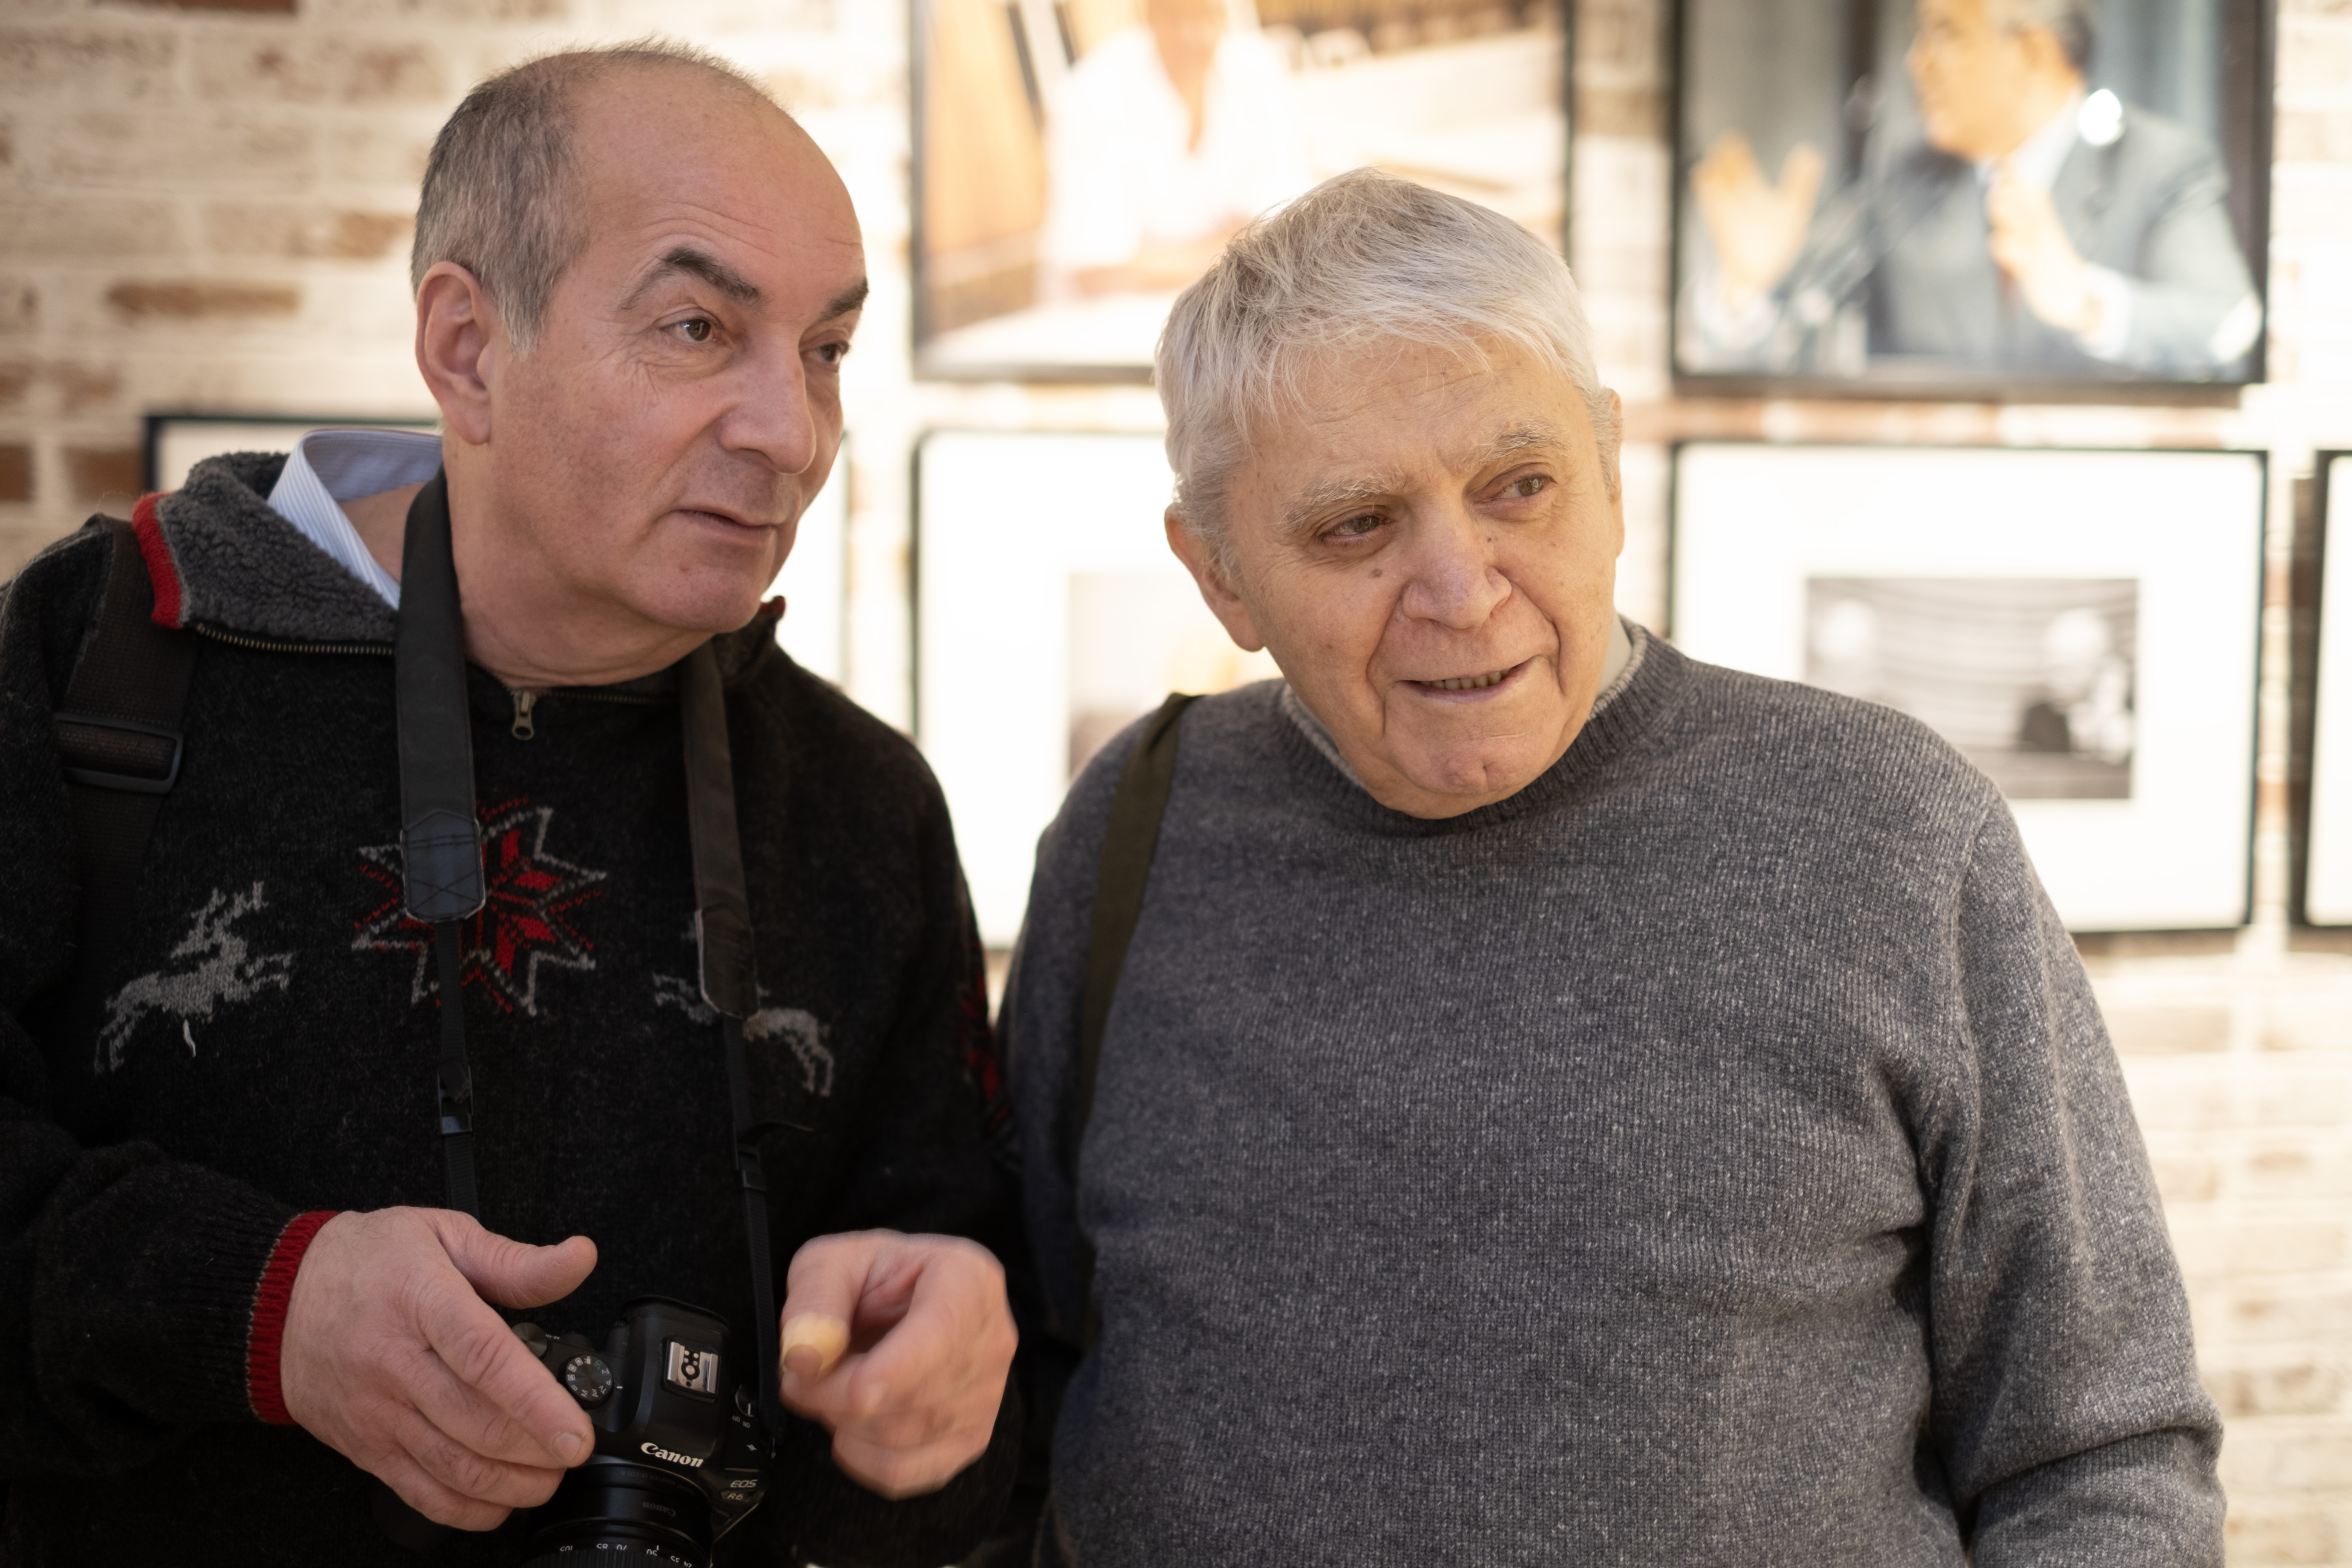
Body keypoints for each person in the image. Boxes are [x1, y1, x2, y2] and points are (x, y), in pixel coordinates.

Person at [1003, 168, 2223, 1564]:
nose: (1462, 588)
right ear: (1218, 572)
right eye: (1357, 526)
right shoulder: (1134, 829)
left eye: (1519, 487)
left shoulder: (1889, 833)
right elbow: (1025, 1371)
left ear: (1609, 472)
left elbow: (2099, 1448)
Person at [0, 43, 1020, 1566]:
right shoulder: (96, 665)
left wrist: (951, 1327)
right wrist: (267, 1309)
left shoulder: (864, 799)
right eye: (698, 329)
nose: (791, 433)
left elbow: (949, 1252)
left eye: (822, 350)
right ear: (467, 347)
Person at [1682, 0, 2260, 377]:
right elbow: (1778, 339)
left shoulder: (2159, 164)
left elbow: (2229, 327)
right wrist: (1746, 290)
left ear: (2032, 53)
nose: (1916, 63)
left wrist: (2085, 301)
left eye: (1946, 35)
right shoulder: (1906, 182)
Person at [1037, 0, 1312, 302]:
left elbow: (1288, 227)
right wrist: (1236, 242)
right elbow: (1097, 272)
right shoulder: (1093, 94)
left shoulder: (1256, 70)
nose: (1191, 36)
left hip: (1229, 306)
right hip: (1108, 322)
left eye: (1204, 15)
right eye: (1175, 17)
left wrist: (1166, 258)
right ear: (1148, 15)